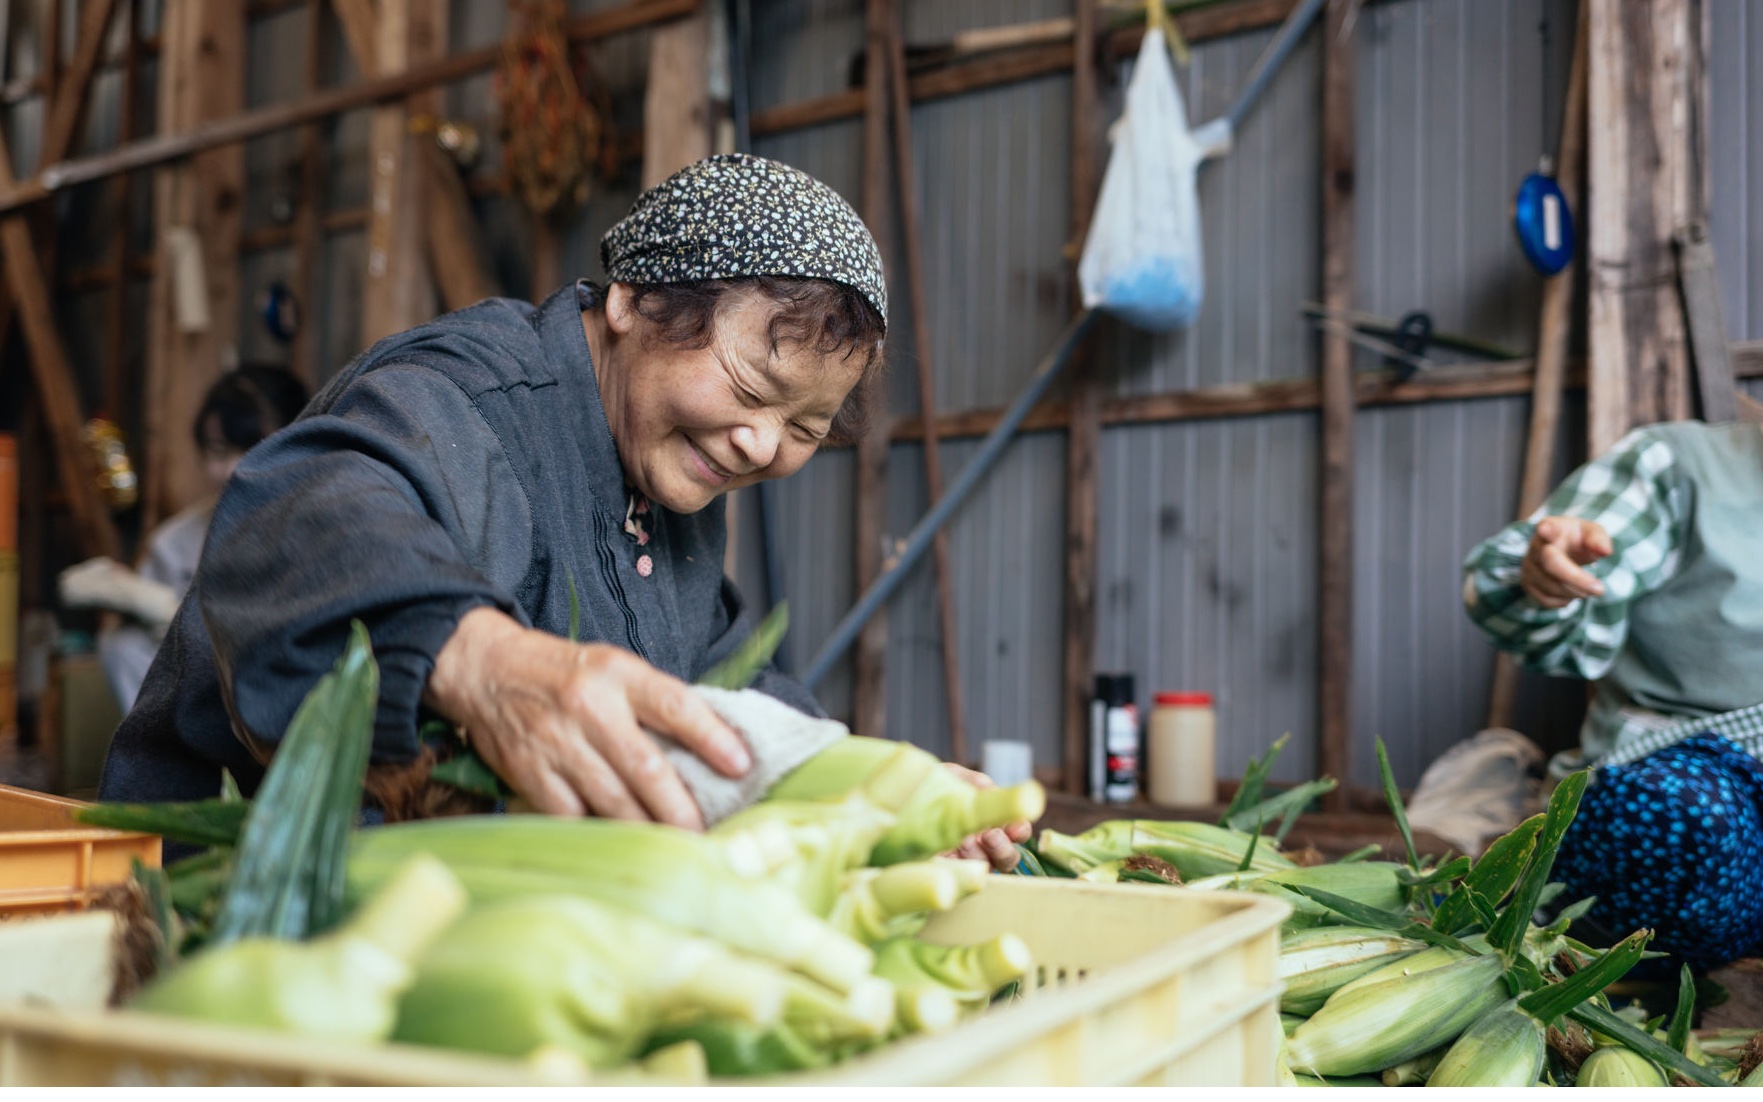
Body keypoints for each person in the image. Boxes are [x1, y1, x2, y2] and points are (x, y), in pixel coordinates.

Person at [98, 154, 1028, 871]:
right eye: (750, 386)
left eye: (804, 427)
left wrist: (877, 786)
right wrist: (484, 660)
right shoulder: (474, 393)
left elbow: (712, 682)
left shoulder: (674, 477)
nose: (759, 445)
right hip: (231, 916)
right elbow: (299, 515)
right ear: (634, 298)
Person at [1462, 417, 1763, 972]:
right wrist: (1546, 579)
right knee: (1684, 819)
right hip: (1698, 790)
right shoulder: (1680, 468)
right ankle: (1600, 940)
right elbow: (1544, 604)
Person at [59, 365, 310, 711]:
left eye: (252, 447)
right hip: (198, 712)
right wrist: (134, 599)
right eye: (218, 451)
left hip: (282, 707)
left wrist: (163, 608)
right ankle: (165, 761)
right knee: (123, 645)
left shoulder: (317, 527)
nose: (232, 470)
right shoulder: (176, 541)